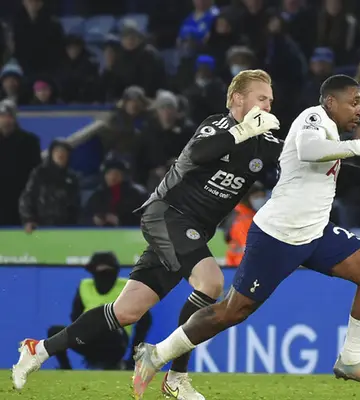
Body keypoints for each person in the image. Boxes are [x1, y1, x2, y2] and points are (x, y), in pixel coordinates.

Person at [130, 75, 360, 395]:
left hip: (316, 233)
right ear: (331, 102)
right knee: (232, 311)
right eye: (354, 102)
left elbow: (334, 170)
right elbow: (309, 150)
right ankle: (158, 353)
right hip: (278, 236)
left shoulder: (332, 135)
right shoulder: (313, 118)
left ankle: (351, 358)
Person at [12, 69, 283, 400]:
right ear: (239, 99)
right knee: (210, 282)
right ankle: (176, 378)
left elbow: (303, 157)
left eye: (270, 99)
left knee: (126, 312)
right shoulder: (219, 125)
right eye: (262, 98)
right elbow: (199, 154)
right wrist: (242, 130)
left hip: (190, 230)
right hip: (168, 214)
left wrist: (358, 158)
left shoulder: (264, 141)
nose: (269, 106)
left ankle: (37, 350)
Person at [47, 252, 152, 370]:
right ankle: (65, 368)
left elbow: (145, 321)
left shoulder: (127, 287)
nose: (104, 275)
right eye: (100, 271)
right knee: (55, 332)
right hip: (88, 339)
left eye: (108, 271)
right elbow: (75, 317)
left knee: (107, 326)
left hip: (116, 342)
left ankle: (114, 363)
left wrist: (133, 358)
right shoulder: (85, 286)